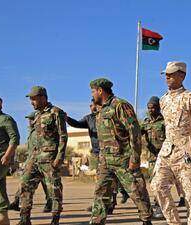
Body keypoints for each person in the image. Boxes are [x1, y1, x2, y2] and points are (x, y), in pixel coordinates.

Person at [151, 61, 191, 225]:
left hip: (187, 153)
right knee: (157, 186)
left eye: (171, 74)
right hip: (167, 151)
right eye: (166, 74)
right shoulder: (163, 100)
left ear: (182, 75)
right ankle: (173, 222)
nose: (168, 77)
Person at [89, 78, 152, 225]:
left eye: (93, 91)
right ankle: (97, 221)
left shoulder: (120, 105)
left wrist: (135, 158)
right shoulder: (100, 109)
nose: (92, 95)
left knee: (137, 192)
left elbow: (134, 132)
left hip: (123, 159)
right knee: (101, 193)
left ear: (100, 90)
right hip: (105, 161)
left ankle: (146, 220)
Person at [65, 99, 129, 213]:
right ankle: (102, 204)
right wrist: (67, 119)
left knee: (112, 179)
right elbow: (77, 124)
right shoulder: (88, 118)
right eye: (90, 104)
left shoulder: (107, 115)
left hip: (111, 152)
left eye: (92, 104)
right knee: (101, 180)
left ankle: (114, 199)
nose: (90, 106)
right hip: (96, 153)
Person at [18, 86, 68, 225]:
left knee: (54, 188)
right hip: (33, 158)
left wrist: (59, 157)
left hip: (49, 158)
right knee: (25, 184)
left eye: (33, 99)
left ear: (42, 97)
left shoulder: (55, 112)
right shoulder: (36, 115)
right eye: (30, 99)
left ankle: (55, 218)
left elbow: (63, 136)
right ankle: (24, 218)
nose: (31, 102)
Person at [141, 96, 184, 219]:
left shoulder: (165, 121)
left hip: (165, 156)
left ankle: (161, 206)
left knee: (164, 182)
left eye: (153, 107)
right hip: (152, 158)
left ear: (158, 108)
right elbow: (137, 133)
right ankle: (159, 205)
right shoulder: (146, 122)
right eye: (149, 108)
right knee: (154, 182)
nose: (151, 110)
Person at [9, 112, 52, 213]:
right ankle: (16, 201)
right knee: (24, 182)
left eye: (32, 119)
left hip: (43, 161)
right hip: (31, 161)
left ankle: (50, 203)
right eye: (29, 119)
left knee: (47, 185)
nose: (30, 121)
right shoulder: (31, 132)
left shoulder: (41, 131)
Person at [0, 96, 20, 225]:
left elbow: (15, 139)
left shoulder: (6, 119)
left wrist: (8, 156)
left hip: (0, 158)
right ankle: (4, 218)